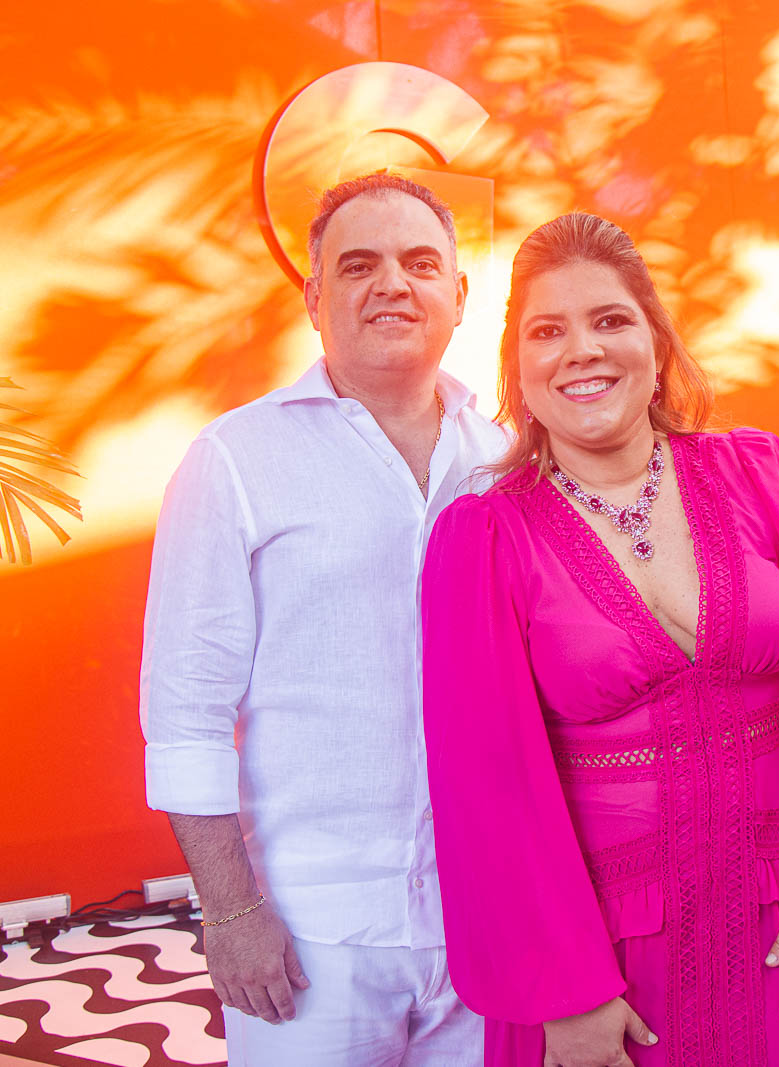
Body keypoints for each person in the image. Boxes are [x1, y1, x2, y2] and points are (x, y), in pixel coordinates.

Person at [420, 212, 779, 1067]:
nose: (582, 350)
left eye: (610, 319)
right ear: (518, 367)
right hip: (600, 958)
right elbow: (484, 786)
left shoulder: (757, 474)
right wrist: (563, 992)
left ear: (656, 345)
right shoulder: (484, 539)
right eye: (548, 331)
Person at [140, 172, 508, 1067]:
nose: (393, 284)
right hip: (311, 933)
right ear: (314, 299)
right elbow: (186, 715)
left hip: (484, 918)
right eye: (359, 264)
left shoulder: (505, 458)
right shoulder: (234, 460)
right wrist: (231, 911)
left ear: (460, 295)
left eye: (421, 263)